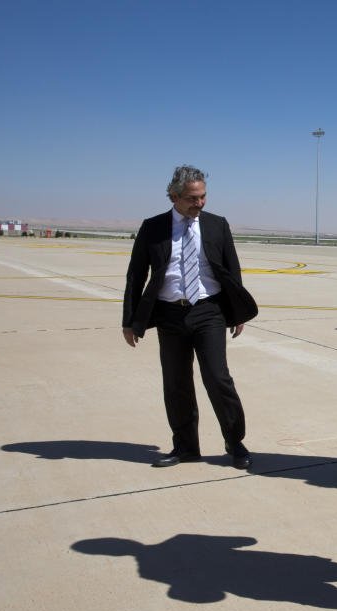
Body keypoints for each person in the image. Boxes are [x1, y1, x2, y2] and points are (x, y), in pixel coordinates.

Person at [123, 165, 258, 470]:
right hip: (170, 313)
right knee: (175, 382)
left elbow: (231, 270)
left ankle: (234, 442)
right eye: (192, 199)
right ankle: (185, 447)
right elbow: (136, 274)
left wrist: (237, 313)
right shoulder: (153, 227)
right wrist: (130, 319)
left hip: (209, 311)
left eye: (203, 197)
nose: (200, 203)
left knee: (218, 378)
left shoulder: (217, 225)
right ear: (174, 197)